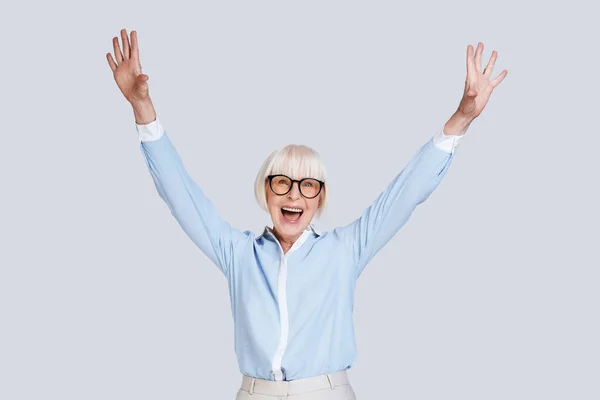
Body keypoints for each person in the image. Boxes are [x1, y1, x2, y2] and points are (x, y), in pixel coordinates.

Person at [106, 28, 507, 400]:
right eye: (282, 182)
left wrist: (462, 118)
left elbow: (402, 196)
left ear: (319, 198)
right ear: (266, 190)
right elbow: (181, 195)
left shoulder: (344, 249)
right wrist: (143, 106)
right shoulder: (238, 252)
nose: (294, 194)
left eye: (307, 185)